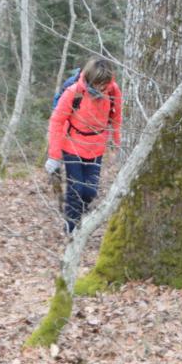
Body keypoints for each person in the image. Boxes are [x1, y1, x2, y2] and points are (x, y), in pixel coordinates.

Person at [45, 57, 123, 234]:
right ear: (89, 78)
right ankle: (71, 230)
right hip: (72, 145)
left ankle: (80, 216)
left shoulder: (113, 91)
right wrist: (54, 156)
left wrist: (118, 144)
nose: (100, 89)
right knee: (76, 189)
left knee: (90, 191)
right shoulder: (74, 92)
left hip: (96, 146)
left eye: (104, 84)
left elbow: (116, 118)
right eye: (97, 84)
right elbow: (57, 121)